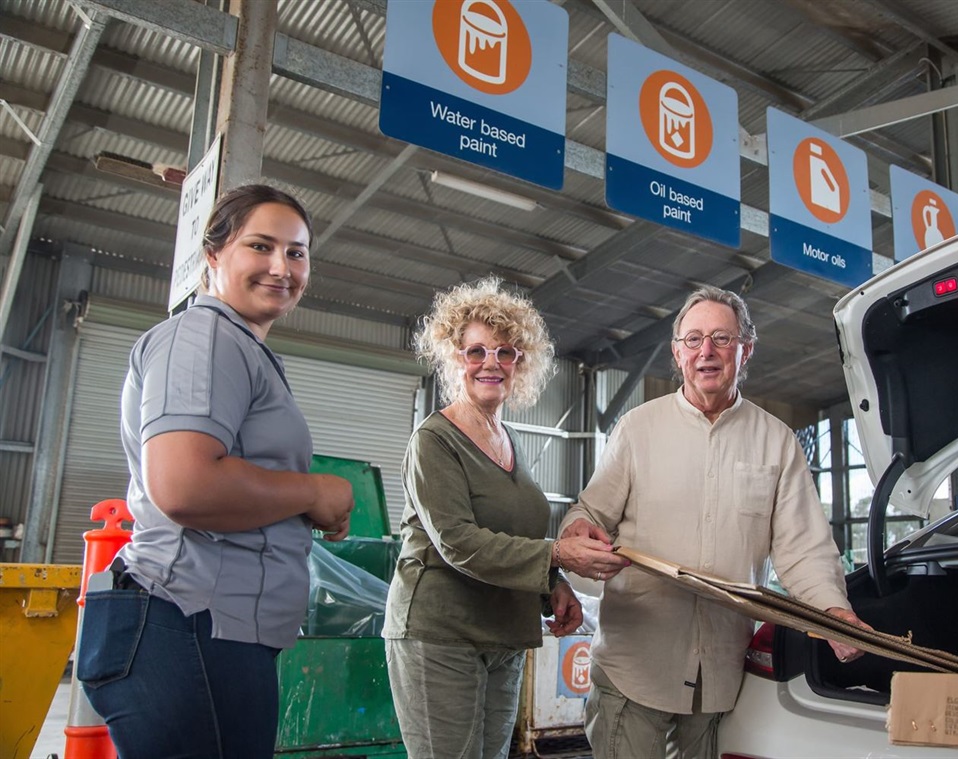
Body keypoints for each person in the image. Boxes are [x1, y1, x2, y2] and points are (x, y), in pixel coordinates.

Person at [77, 184, 355, 759]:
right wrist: (315, 491)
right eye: (261, 246)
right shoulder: (202, 338)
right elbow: (185, 485)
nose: (282, 266)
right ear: (213, 253)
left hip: (210, 631)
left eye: (297, 252)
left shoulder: (241, 348)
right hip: (184, 623)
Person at [559, 285, 869, 759]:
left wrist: (832, 612)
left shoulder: (777, 443)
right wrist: (576, 531)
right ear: (676, 353)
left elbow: (803, 548)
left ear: (746, 349)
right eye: (694, 339)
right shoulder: (636, 430)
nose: (707, 351)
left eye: (722, 339)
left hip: (720, 676)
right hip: (635, 668)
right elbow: (591, 513)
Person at [383, 277, 627, 759]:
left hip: (503, 634)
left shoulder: (508, 439)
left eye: (505, 352)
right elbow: (459, 542)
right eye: (476, 352)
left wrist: (552, 585)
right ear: (454, 360)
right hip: (442, 634)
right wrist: (556, 553)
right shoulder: (434, 441)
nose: (490, 363)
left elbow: (516, 533)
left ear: (521, 363)